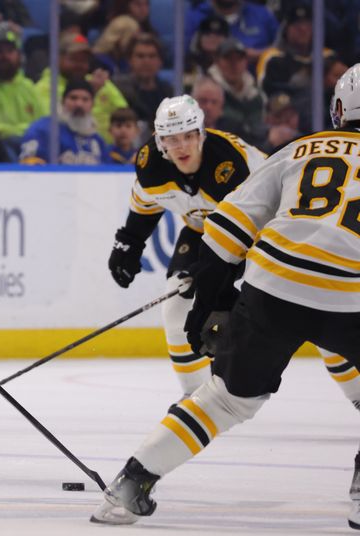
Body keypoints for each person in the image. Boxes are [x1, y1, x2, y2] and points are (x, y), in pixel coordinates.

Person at [92, 62, 360, 530]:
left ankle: (129, 486)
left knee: (227, 399)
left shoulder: (300, 148)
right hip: (351, 292)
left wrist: (208, 302)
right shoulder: (157, 166)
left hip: (275, 281)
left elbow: (229, 227)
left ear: (338, 108)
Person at [107, 95, 266, 396]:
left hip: (263, 235)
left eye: (187, 136)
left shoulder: (230, 163)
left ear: (200, 133)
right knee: (175, 306)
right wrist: (128, 244)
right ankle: (195, 398)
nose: (180, 146)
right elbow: (145, 205)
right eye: (171, 138)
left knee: (303, 309)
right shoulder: (150, 164)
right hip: (203, 230)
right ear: (159, 139)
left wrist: (213, 271)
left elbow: (251, 227)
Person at [20, 77, 108, 165]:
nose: (79, 104)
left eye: (85, 99)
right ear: (62, 102)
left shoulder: (97, 140)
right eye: (73, 98)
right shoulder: (43, 129)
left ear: (92, 105)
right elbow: (31, 168)